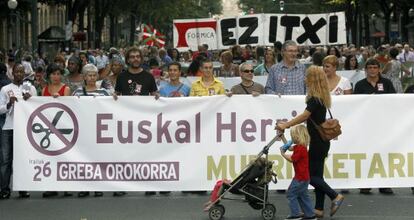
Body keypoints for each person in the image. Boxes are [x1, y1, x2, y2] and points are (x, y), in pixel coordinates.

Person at [276, 65, 344, 218]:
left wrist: (286, 125)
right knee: (318, 176)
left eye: (307, 76)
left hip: (317, 143)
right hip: (322, 142)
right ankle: (318, 208)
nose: (305, 79)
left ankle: (335, 196)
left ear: (313, 79)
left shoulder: (314, 99)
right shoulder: (321, 97)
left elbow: (304, 116)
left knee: (310, 177)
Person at [354, 58, 395, 194]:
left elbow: (394, 100)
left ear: (379, 69)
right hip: (366, 124)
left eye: (375, 67)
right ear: (366, 70)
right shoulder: (360, 85)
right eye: (370, 67)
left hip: (383, 123)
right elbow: (354, 104)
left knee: (384, 152)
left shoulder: (387, 83)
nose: (372, 70)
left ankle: (384, 183)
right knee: (366, 153)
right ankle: (366, 183)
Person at [0, 63, 37, 199]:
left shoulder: (30, 88)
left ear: (25, 73)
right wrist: (9, 104)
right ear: (12, 73)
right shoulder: (5, 89)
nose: (19, 74)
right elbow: (0, 108)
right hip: (9, 128)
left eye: (22, 72)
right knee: (5, 160)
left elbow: (37, 105)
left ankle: (23, 188)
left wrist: (29, 99)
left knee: (23, 159)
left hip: (24, 129)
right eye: (17, 72)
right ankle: (4, 189)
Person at [280, 125, 316, 220]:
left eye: (292, 136)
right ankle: (310, 214)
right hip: (304, 177)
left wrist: (283, 154)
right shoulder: (300, 146)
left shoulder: (300, 149)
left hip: (300, 178)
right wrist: (283, 137)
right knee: (303, 195)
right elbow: (289, 147)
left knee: (291, 193)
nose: (291, 138)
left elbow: (292, 159)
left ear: (297, 136)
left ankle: (295, 214)